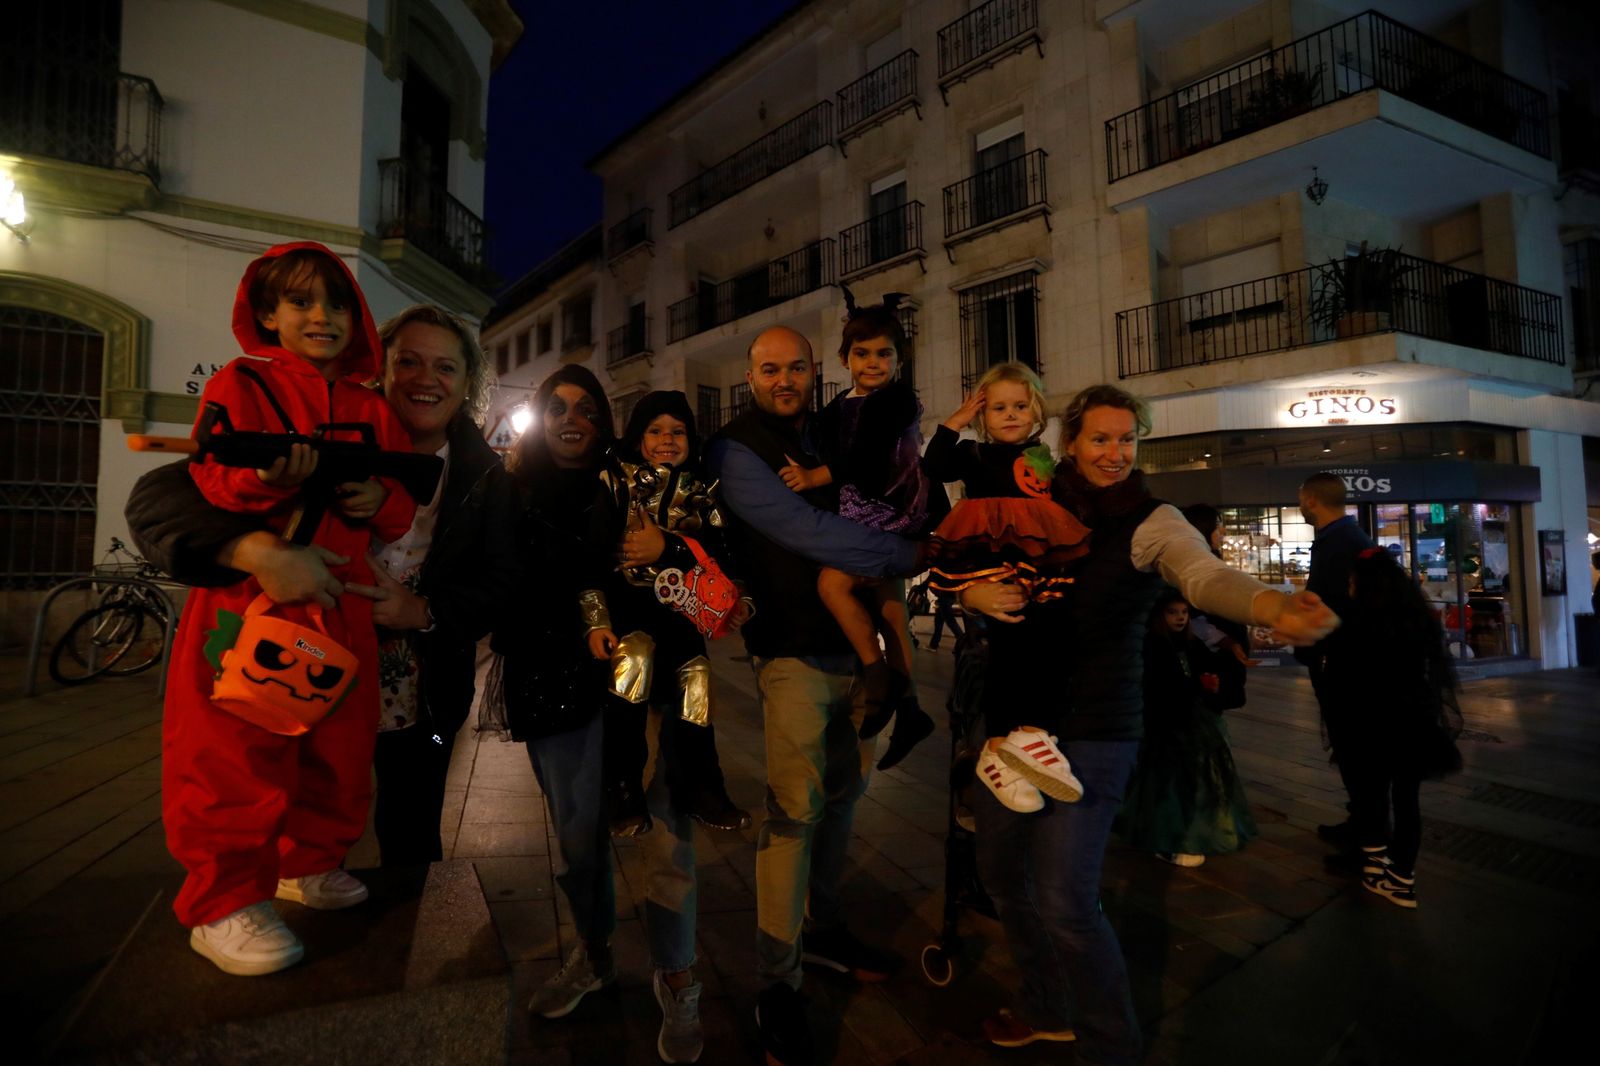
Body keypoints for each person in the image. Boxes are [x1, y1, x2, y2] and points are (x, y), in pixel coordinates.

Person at [961, 383, 1338, 1061]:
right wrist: (972, 594)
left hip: (1096, 730)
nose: (1115, 453)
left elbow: (1203, 575)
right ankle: (1047, 1005)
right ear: (1071, 442)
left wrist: (1269, 605)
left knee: (1064, 899)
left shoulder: (1151, 520)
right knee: (1002, 876)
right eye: (1100, 439)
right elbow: (972, 562)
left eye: (1127, 439)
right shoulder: (1029, 502)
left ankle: (1111, 1045)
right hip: (1012, 725)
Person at [127, 303, 519, 869]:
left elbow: (502, 581)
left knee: (412, 829)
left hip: (425, 690)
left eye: (445, 367)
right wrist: (255, 550)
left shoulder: (486, 474)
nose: (426, 380)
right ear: (381, 370)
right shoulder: (320, 430)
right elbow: (159, 498)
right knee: (289, 808)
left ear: (467, 384)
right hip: (304, 663)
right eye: (408, 361)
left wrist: (423, 610)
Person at [158, 242, 417, 976]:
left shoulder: (371, 406)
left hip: (344, 602)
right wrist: (269, 483)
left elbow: (400, 506)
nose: (321, 317)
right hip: (252, 600)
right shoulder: (240, 384)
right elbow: (211, 478)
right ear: (267, 313)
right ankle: (220, 902)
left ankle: (307, 863)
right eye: (301, 301)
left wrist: (377, 498)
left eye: (336, 303)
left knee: (340, 747)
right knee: (232, 751)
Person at [702, 325, 920, 1066]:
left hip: (863, 653)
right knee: (794, 812)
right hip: (793, 653)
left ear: (815, 370)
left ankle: (823, 929)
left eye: (796, 367)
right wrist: (915, 551)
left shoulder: (835, 431)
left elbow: (894, 476)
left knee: (844, 798)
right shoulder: (736, 448)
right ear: (750, 377)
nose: (784, 380)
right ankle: (777, 982)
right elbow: (803, 530)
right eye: (770, 369)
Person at [485, 366, 707, 1063]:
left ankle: (678, 973)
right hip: (553, 678)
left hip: (647, 673)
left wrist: (671, 553)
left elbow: (700, 562)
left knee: (666, 829)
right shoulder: (511, 489)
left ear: (605, 421)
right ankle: (595, 952)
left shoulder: (638, 482)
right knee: (579, 836)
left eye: (586, 408)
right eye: (556, 407)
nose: (570, 419)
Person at [776, 289, 940, 771]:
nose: (873, 363)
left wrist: (813, 478)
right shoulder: (840, 404)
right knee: (891, 611)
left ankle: (877, 679)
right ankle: (910, 711)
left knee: (833, 584)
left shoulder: (897, 399)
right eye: (862, 353)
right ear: (845, 359)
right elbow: (818, 435)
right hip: (863, 511)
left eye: (884, 354)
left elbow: (865, 456)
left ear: (899, 359)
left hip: (891, 508)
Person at [580, 390, 752, 836]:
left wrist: (736, 597)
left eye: (678, 431)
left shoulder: (703, 491)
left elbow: (724, 556)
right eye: (655, 430)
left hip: (683, 616)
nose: (667, 439)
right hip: (629, 608)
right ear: (638, 438)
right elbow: (592, 558)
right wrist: (597, 621)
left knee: (698, 679)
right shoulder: (615, 482)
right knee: (632, 660)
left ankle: (704, 788)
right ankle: (621, 789)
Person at [923, 363, 1092, 814]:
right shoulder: (973, 452)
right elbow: (932, 466)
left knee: (1042, 641)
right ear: (982, 414)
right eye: (998, 408)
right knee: (1008, 646)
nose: (1010, 414)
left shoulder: (1042, 456)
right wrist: (954, 422)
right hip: (990, 553)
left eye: (1020, 406)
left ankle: (1017, 745)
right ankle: (1004, 744)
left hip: (1036, 557)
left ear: (1036, 411)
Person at [1324, 548, 1463, 908]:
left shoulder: (1357, 621)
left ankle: (1375, 866)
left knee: (1370, 795)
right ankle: (1401, 877)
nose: (1350, 587)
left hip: (1370, 724)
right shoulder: (1416, 618)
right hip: (1413, 721)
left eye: (1353, 581)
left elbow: (1342, 675)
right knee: (1406, 800)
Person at [1116, 589, 1258, 868]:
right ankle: (1170, 838)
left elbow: (1204, 666)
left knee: (1196, 775)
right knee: (1169, 780)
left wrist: (1210, 685)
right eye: (1173, 613)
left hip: (1190, 718)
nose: (1180, 618)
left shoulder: (1192, 643)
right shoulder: (1153, 645)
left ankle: (1191, 832)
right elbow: (1158, 684)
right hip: (1165, 722)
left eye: (1184, 612)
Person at [1294, 472, 1374, 852]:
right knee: (1352, 747)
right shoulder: (1346, 538)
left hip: (1344, 665)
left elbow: (1336, 607)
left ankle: (1367, 835)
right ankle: (1362, 824)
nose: (1300, 505)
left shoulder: (1338, 543)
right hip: (1347, 661)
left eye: (1300, 498)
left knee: (1353, 747)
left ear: (1311, 499)